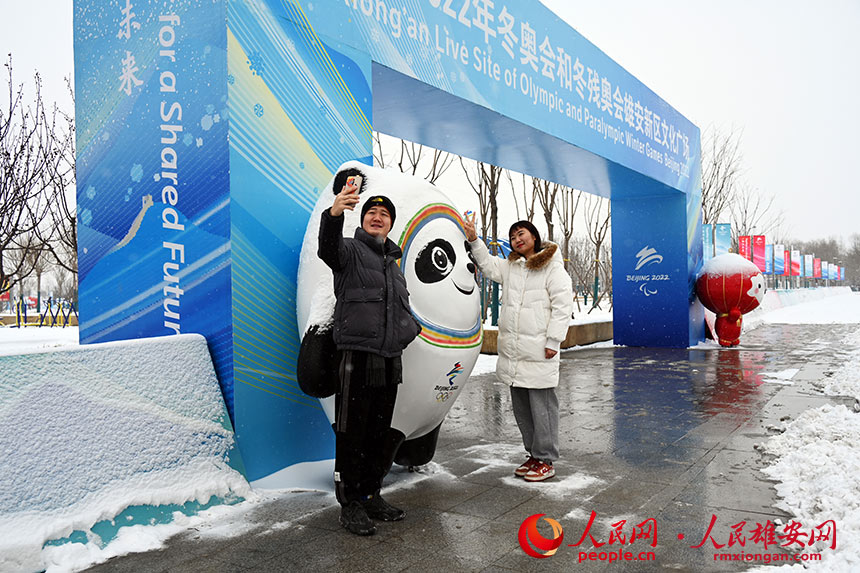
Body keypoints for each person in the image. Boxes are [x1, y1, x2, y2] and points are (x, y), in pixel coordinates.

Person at [317, 169, 422, 536]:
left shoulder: (393, 266)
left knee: (378, 431)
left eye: (385, 215)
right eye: (371, 213)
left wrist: (410, 331)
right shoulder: (349, 252)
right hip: (356, 359)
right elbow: (327, 248)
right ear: (362, 220)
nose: (377, 218)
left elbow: (405, 310)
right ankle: (350, 504)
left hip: (389, 360)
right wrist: (335, 213)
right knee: (352, 432)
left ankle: (371, 494)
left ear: (391, 224)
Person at [463, 217, 573, 482]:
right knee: (522, 409)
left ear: (534, 236)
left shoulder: (551, 268)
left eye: (521, 234)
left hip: (539, 351)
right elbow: (488, 265)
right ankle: (534, 455)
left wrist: (553, 341)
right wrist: (473, 239)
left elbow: (562, 305)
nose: (517, 240)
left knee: (543, 408)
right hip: (515, 352)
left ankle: (546, 459)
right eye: (512, 237)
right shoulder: (512, 266)